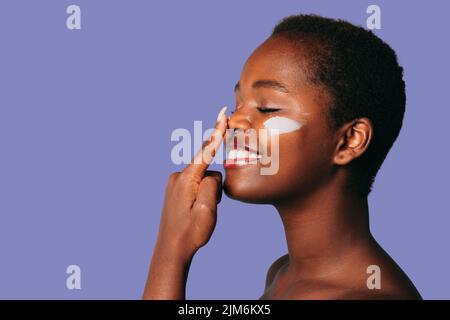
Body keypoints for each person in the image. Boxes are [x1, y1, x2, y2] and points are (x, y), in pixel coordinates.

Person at [143, 14, 422, 300]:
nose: (235, 121)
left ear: (350, 140)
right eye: (238, 104)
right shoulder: (282, 274)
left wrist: (170, 250)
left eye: (268, 108)